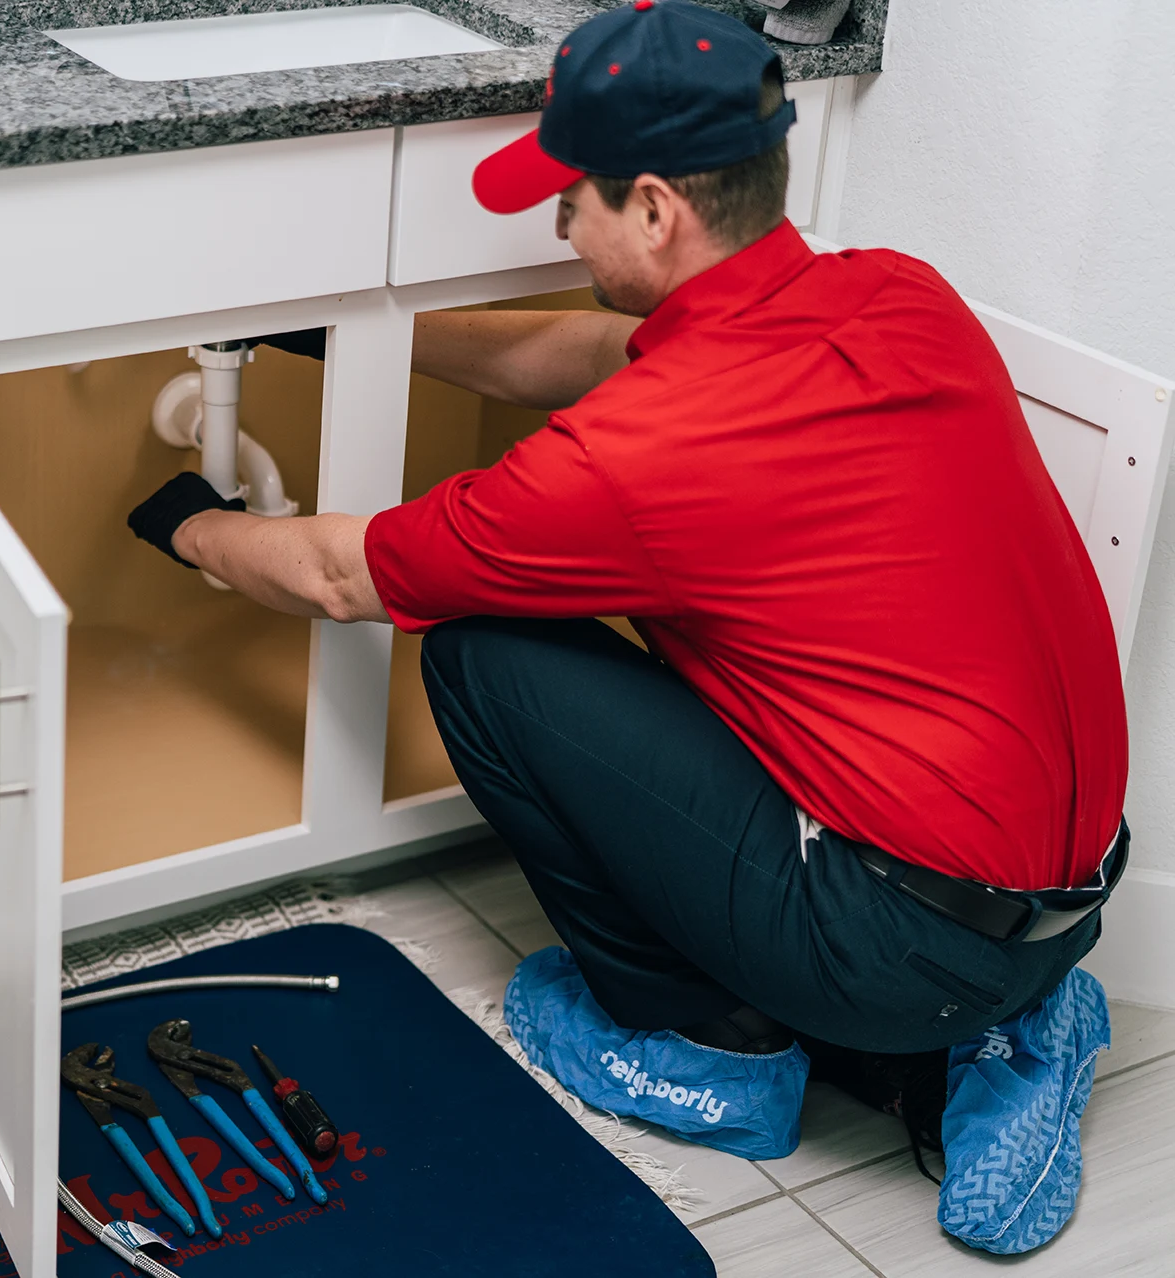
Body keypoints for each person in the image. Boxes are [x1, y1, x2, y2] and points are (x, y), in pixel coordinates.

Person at [128, 0, 1127, 1255]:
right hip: (1063, 886)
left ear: (656, 209)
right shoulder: (894, 297)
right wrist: (362, 337)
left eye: (571, 202)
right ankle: (1003, 1031)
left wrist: (185, 527)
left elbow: (340, 576)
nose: (557, 225)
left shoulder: (636, 464)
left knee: (483, 657)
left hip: (895, 934)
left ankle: (711, 1045)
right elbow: (603, 350)